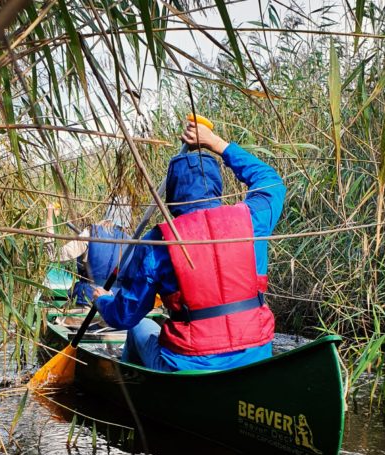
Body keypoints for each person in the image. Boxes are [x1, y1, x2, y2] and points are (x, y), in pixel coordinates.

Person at [91, 120, 286, 371]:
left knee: (139, 326)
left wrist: (104, 302)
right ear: (217, 186)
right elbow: (271, 182)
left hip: (188, 367)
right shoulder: (252, 219)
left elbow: (124, 316)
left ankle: (130, 386)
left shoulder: (157, 241)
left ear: (171, 197)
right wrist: (216, 143)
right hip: (254, 358)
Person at [46, 200, 131, 306]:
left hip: (87, 300)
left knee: (58, 315)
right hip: (116, 306)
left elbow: (54, 255)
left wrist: (50, 218)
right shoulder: (133, 244)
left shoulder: (91, 233)